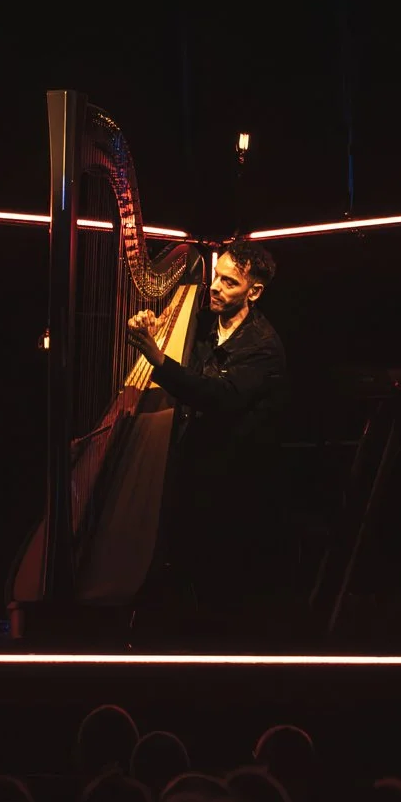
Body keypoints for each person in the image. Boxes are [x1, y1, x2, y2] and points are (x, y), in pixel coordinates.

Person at [123, 241, 289, 634]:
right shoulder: (202, 320)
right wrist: (148, 325)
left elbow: (217, 397)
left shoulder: (263, 346)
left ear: (254, 292)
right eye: (217, 276)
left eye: (229, 282)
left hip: (233, 479)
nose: (214, 286)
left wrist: (158, 360)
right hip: (193, 462)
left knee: (215, 587)